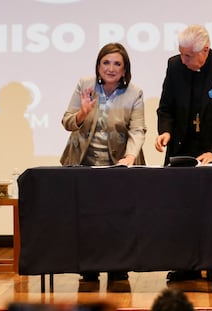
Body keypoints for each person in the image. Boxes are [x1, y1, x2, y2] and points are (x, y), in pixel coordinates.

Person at [155, 24, 212, 282]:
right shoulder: (175, 67)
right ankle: (186, 264)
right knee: (181, 210)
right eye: (181, 54)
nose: (183, 60)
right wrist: (165, 132)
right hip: (183, 151)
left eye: (188, 56)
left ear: (204, 50)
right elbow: (166, 108)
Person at [60, 42, 146, 282]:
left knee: (118, 219)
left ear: (125, 69)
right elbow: (67, 122)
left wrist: (129, 157)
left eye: (117, 63)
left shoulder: (134, 93)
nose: (110, 68)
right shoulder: (84, 86)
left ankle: (118, 265)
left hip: (118, 166)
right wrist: (82, 113)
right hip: (84, 163)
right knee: (88, 219)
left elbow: (138, 129)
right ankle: (88, 266)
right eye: (106, 62)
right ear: (98, 66)